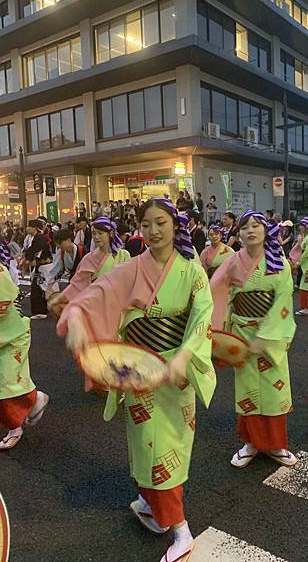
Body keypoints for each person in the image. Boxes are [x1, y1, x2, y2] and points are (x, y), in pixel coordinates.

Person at [57, 198, 216, 562]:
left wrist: (184, 356)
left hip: (176, 373)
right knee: (146, 444)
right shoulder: (132, 267)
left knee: (168, 450)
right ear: (139, 229)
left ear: (176, 226)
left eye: (161, 222)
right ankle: (150, 502)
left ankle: (181, 532)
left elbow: (203, 317)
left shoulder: (192, 270)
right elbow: (98, 292)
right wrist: (78, 315)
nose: (154, 231)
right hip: (139, 371)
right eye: (147, 225)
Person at [210, 211, 297, 468]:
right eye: (245, 227)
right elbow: (215, 290)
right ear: (238, 233)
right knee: (247, 389)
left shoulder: (277, 261)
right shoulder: (232, 261)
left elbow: (283, 299)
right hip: (241, 334)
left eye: (256, 226)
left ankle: (276, 444)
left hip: (271, 336)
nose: (250, 231)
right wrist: (217, 333)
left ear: (265, 230)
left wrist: (267, 336)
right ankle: (250, 442)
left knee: (274, 389)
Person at [0, 259, 49, 450]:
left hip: (12, 336)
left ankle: (15, 427)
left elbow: (4, 304)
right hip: (6, 335)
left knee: (7, 385)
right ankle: (35, 400)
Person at [23, 219, 53, 319]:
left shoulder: (39, 238)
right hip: (41, 267)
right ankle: (43, 310)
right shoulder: (36, 237)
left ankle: (42, 311)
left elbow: (34, 251)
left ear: (34, 228)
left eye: (29, 226)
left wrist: (27, 260)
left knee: (42, 287)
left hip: (44, 267)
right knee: (39, 287)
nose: (27, 228)